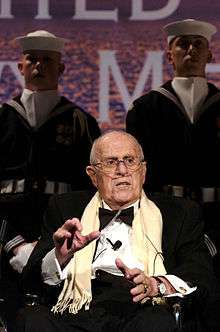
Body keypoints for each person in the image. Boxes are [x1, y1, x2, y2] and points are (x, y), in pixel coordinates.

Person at [17, 130, 217, 331]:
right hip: (76, 307)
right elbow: (29, 282)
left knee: (159, 323)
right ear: (93, 175)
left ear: (143, 171)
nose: (123, 170)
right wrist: (58, 258)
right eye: (111, 162)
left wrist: (156, 285)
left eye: (130, 160)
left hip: (143, 308)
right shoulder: (65, 207)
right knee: (32, 318)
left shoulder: (179, 212)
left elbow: (200, 274)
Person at [0, 30, 100, 330]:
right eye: (32, 59)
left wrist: (62, 245)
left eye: (47, 60)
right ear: (20, 67)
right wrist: (12, 244)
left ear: (62, 68)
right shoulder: (2, 118)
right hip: (5, 231)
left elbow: (91, 192)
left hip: (61, 233)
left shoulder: (81, 122)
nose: (39, 66)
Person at [126, 19, 220, 276]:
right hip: (164, 221)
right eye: (183, 44)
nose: (191, 49)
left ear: (209, 53)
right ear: (170, 55)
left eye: (198, 44)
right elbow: (135, 177)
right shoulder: (144, 109)